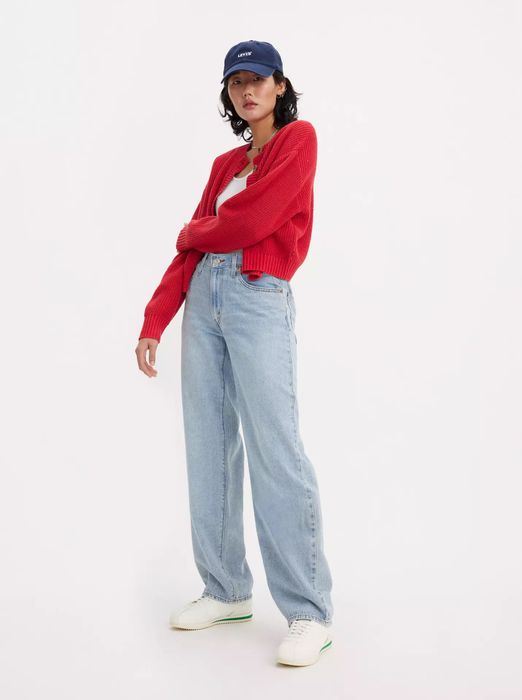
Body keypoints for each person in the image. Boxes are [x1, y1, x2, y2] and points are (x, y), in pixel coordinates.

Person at [134, 40, 334, 667]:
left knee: (276, 446)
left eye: (258, 79)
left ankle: (309, 611)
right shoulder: (225, 163)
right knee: (209, 444)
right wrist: (155, 318)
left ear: (280, 86)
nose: (247, 90)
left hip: (256, 296)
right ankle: (225, 589)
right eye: (236, 81)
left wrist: (197, 230)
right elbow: (192, 251)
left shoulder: (298, 141)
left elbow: (254, 218)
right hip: (204, 300)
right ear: (228, 92)